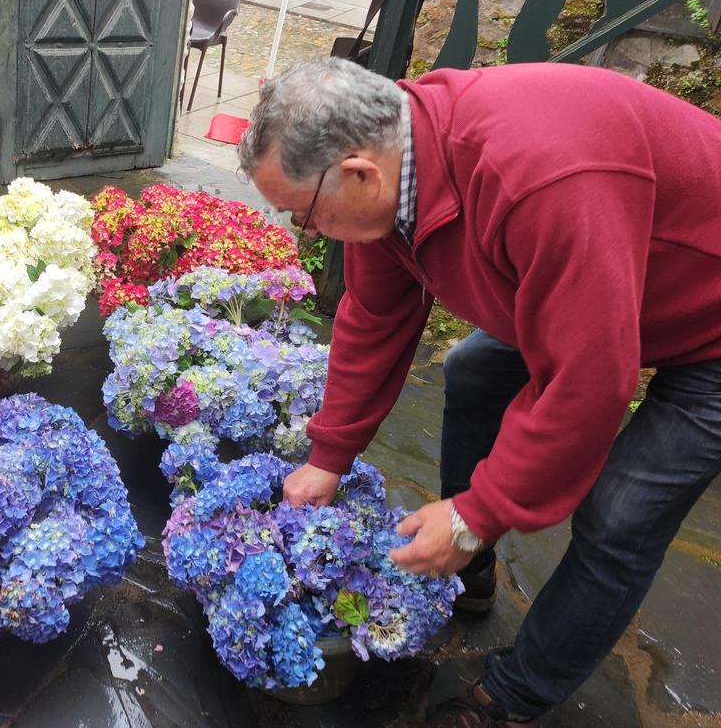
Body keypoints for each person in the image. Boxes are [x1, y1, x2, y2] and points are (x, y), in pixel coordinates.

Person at [237, 57, 721, 727]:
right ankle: (468, 571)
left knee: (619, 516)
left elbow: (588, 380)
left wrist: (475, 515)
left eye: (304, 214)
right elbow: (374, 318)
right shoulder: (394, 168)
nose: (308, 232)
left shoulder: (539, 177)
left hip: (709, 322)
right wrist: (329, 456)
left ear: (359, 173)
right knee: (473, 369)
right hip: (607, 290)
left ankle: (511, 699)